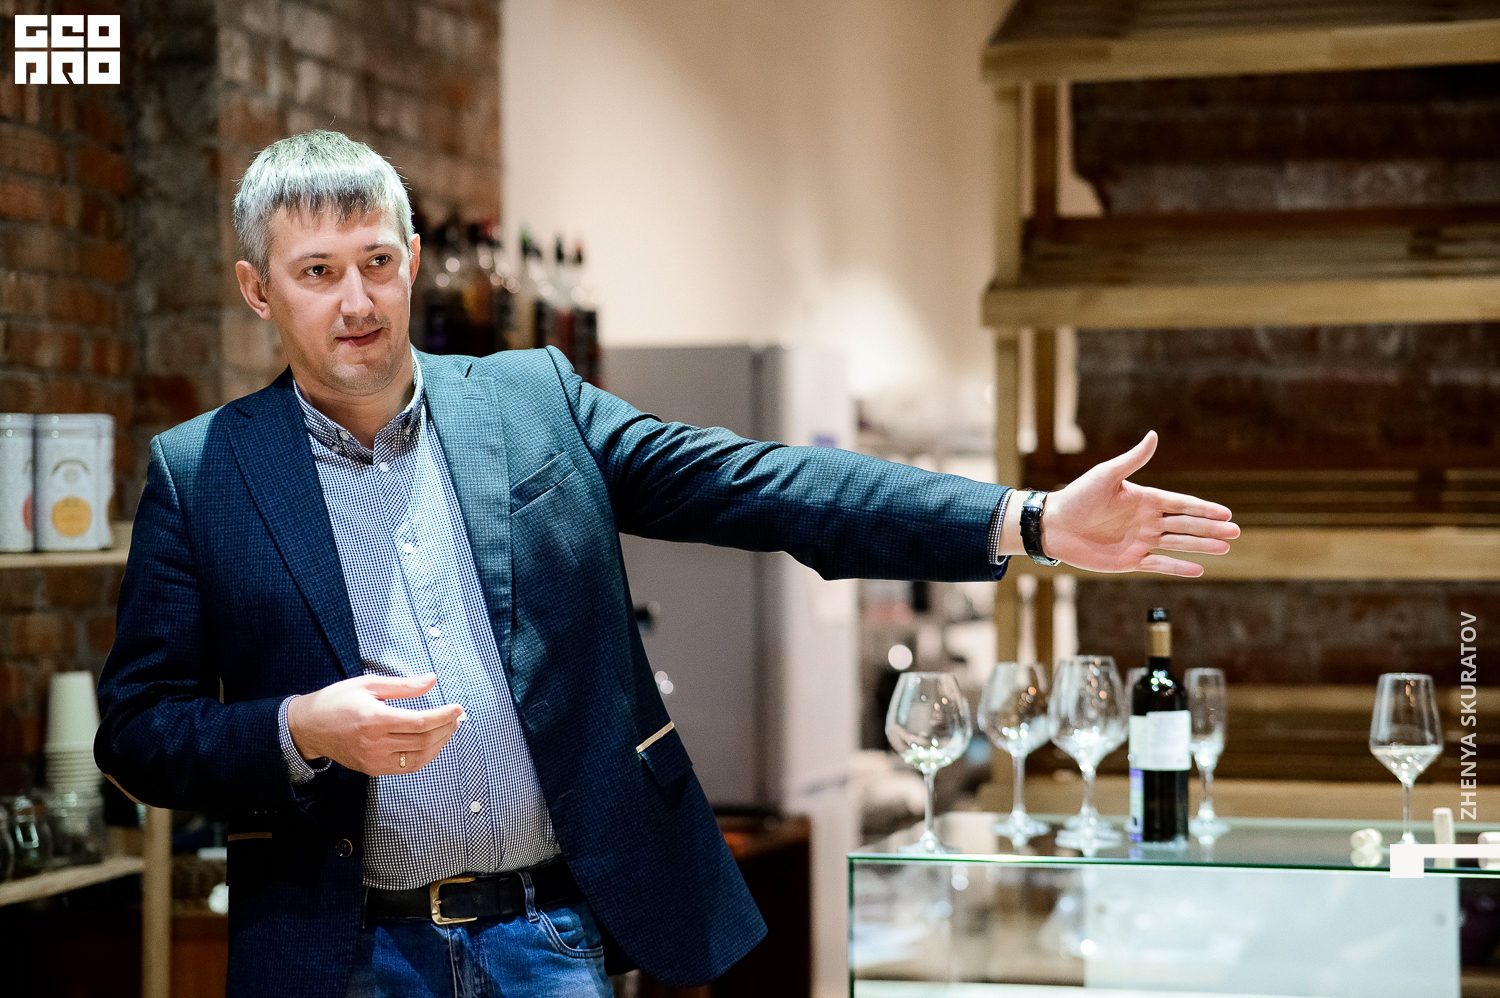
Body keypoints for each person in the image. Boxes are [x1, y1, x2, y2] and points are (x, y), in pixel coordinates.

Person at [95, 131, 1239, 998]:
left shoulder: (533, 402)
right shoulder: (204, 472)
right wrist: (300, 728)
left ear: (415, 263)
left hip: (550, 939)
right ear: (258, 288)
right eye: (317, 271)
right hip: (342, 950)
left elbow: (767, 481)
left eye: (378, 262)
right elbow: (138, 732)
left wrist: (1025, 517)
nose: (357, 301)